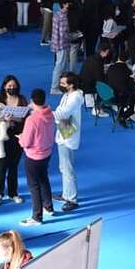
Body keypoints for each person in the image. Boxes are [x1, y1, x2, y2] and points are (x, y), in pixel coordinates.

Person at [0, 75, 28, 206]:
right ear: (4, 87)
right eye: (9, 86)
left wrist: (14, 119)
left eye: (14, 86)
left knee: (13, 166)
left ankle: (13, 193)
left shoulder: (22, 100)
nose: (11, 88)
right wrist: (4, 119)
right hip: (1, 136)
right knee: (1, 166)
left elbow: (25, 118)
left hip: (17, 135)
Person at [18, 89, 56, 226]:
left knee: (34, 186)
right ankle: (48, 207)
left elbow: (26, 142)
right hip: (47, 153)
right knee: (44, 180)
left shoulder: (32, 119)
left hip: (33, 156)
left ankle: (37, 216)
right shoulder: (50, 113)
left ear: (32, 100)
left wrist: (20, 138)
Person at [54, 72, 84, 211]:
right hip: (63, 133)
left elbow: (62, 113)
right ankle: (66, 194)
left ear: (71, 85)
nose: (61, 85)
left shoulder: (75, 98)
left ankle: (72, 199)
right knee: (63, 167)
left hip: (68, 136)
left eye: (63, 83)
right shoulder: (67, 95)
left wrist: (45, 112)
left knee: (68, 169)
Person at [50, 0, 76, 94]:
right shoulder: (63, 16)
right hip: (62, 44)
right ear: (64, 5)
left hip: (57, 43)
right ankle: (54, 88)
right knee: (60, 66)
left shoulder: (57, 14)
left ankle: (58, 86)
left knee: (60, 65)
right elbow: (63, 32)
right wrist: (72, 37)